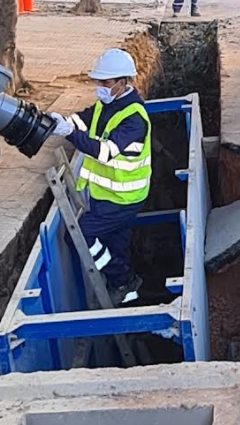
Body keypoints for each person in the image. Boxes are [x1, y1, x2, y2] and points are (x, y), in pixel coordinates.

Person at [48, 49, 151, 305]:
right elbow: (83, 121)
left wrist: (68, 132)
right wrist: (60, 121)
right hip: (105, 195)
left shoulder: (134, 119)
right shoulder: (106, 106)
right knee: (116, 245)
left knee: (79, 236)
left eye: (105, 83)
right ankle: (130, 299)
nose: (100, 88)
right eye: (98, 82)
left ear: (122, 82)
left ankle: (123, 280)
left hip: (125, 198)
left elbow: (105, 152)